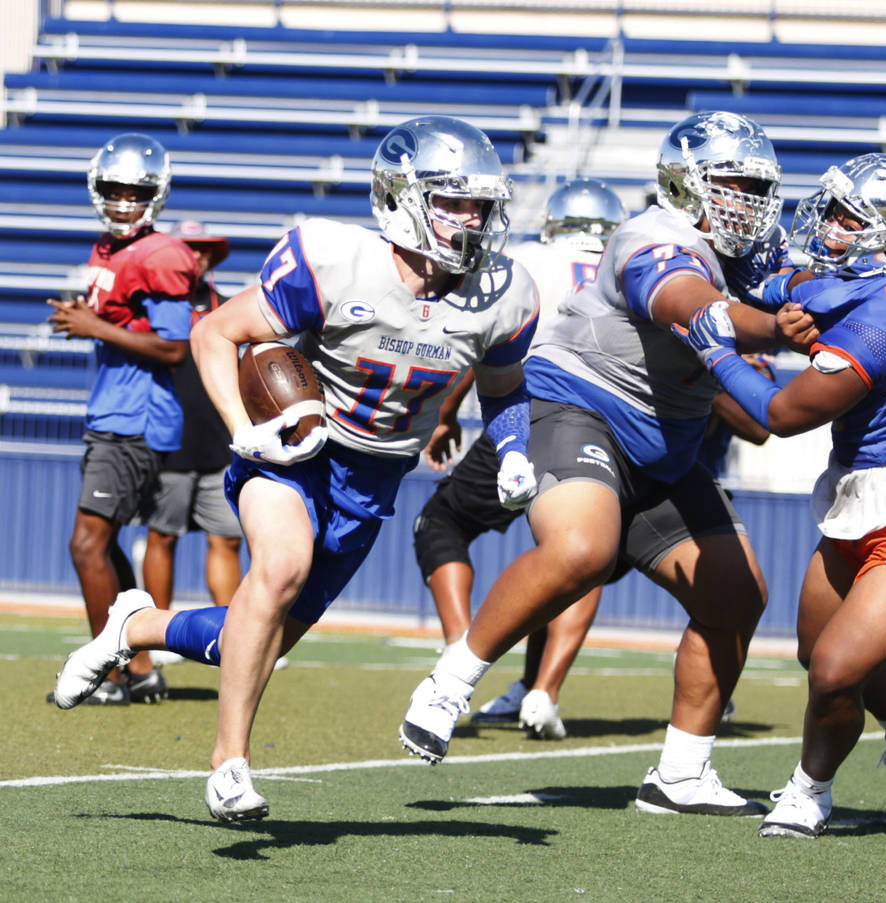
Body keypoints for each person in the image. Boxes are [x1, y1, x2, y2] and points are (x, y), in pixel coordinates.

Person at [51, 115, 541, 823]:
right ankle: (229, 764)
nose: (474, 217)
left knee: (247, 641)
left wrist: (517, 448)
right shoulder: (335, 260)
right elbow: (215, 332)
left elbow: (503, 387)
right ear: (403, 197)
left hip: (373, 479)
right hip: (296, 446)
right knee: (278, 569)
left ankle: (135, 625)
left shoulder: (505, 291)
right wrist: (247, 432)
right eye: (454, 200)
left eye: (480, 203)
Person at [399, 110, 817, 819]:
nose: (748, 200)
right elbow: (701, 311)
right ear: (686, 184)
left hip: (666, 447)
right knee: (582, 548)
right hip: (578, 406)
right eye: (734, 184)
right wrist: (777, 327)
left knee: (736, 595)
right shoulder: (648, 239)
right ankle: (451, 678)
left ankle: (682, 772)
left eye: (756, 186)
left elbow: (806, 285)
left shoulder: (754, 248)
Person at [681, 152, 886, 837]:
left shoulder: (884, 323)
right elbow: (806, 289)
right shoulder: (878, 287)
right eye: (834, 211)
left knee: (834, 668)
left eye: (851, 219)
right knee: (819, 653)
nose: (829, 227)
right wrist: (773, 286)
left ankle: (808, 790)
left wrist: (718, 353)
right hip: (865, 495)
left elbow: (784, 414)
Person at [413, 177, 627, 739]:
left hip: (540, 412)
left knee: (440, 521)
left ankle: (460, 653)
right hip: (620, 426)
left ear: (555, 221)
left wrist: (446, 411)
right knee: (579, 557)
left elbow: (487, 337)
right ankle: (543, 691)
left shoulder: (529, 259)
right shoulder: (634, 261)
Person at [46, 133, 195, 706]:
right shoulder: (106, 250)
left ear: (156, 194)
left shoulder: (162, 254)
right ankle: (137, 663)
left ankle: (105, 672)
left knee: (87, 544)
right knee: (103, 547)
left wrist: (95, 327)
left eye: (135, 192)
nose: (123, 201)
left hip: (138, 418)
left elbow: (174, 347)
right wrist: (91, 319)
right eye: (112, 190)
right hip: (112, 411)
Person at [141, 222, 243, 621]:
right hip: (169, 443)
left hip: (222, 444)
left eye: (203, 250)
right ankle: (157, 631)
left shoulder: (231, 307)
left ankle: (233, 634)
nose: (195, 257)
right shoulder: (156, 308)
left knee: (228, 540)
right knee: (162, 537)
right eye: (187, 249)